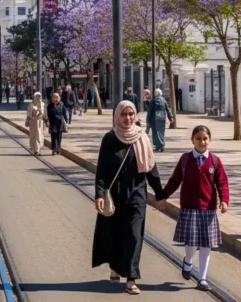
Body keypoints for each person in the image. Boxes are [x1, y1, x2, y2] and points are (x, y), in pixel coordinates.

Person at [93, 100, 164, 295]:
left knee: (134, 235)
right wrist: (100, 194)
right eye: (124, 114)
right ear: (117, 116)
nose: (128, 118)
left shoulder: (142, 138)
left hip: (137, 194)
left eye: (131, 114)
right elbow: (102, 171)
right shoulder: (109, 139)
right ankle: (116, 267)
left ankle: (131, 278)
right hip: (115, 194)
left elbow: (151, 168)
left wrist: (160, 193)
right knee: (116, 233)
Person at [156, 125, 229, 292]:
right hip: (189, 208)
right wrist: (163, 196)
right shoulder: (185, 160)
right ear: (192, 140)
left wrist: (224, 200)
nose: (202, 142)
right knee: (191, 243)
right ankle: (188, 260)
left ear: (209, 140)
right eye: (198, 138)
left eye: (205, 139)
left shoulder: (215, 161)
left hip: (208, 209)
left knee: (206, 244)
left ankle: (202, 278)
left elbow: (222, 183)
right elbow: (175, 180)